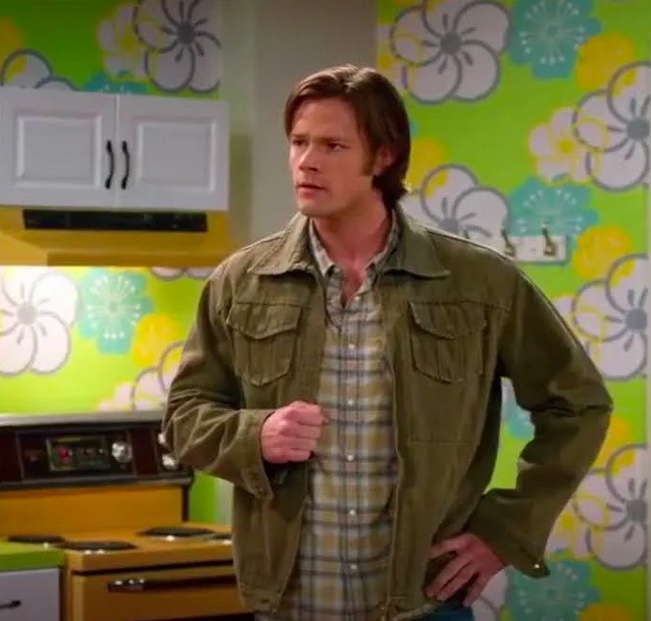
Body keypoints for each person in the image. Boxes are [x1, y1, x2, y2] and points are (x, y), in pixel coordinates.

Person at [162, 64, 612, 621]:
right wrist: (255, 435)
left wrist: (507, 531)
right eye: (299, 142)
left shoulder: (479, 282)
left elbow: (578, 405)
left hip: (424, 602)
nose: (306, 161)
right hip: (290, 603)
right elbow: (184, 416)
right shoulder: (241, 281)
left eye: (332, 145)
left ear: (383, 156)